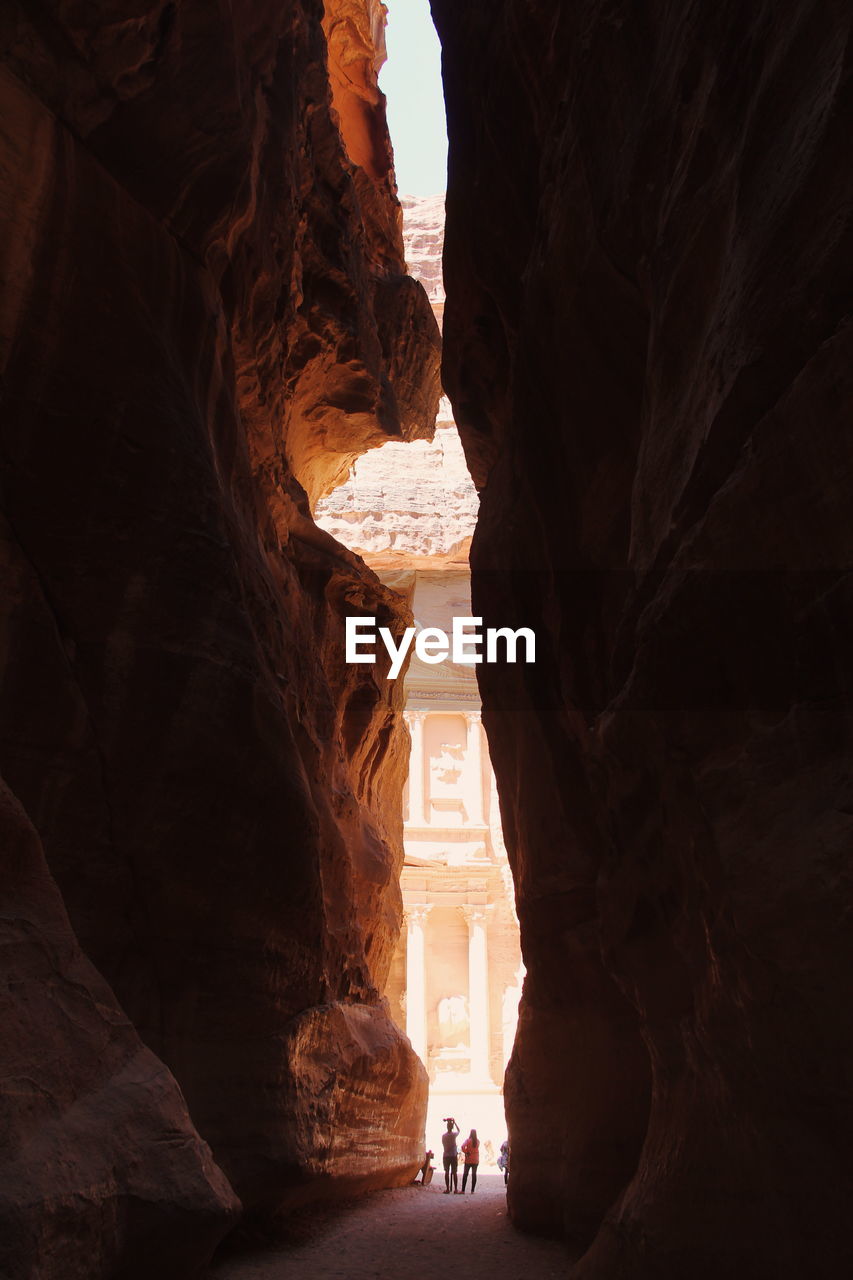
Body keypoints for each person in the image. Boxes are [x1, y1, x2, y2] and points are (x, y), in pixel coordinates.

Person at [441, 1117, 460, 1194]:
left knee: (447, 1172)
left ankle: (448, 1189)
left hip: (446, 1155)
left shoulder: (444, 1136)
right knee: (454, 1172)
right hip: (453, 1155)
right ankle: (455, 1189)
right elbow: (459, 1130)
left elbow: (443, 1144)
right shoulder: (454, 1135)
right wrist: (454, 1122)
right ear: (452, 1127)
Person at [460, 1128, 480, 1193]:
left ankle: (463, 1190)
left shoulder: (468, 1141)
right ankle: (472, 1190)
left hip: (468, 1159)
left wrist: (466, 1152)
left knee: (465, 1174)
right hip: (476, 1159)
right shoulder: (478, 1141)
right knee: (474, 1175)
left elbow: (462, 1146)